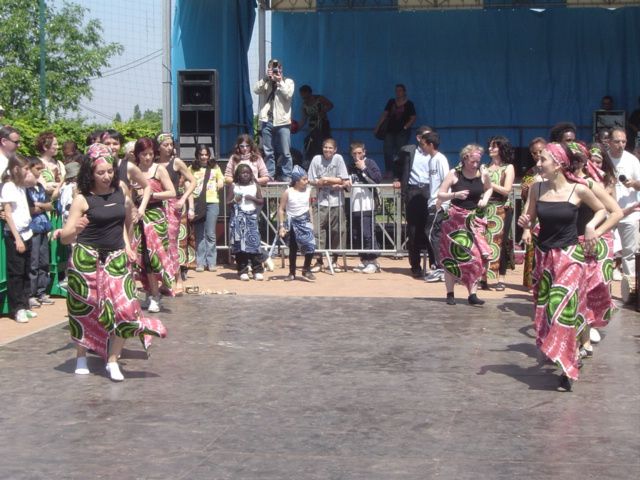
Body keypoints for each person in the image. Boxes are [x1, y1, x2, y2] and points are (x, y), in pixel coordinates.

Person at [57, 143, 167, 381]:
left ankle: (112, 360)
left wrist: (127, 245)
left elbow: (126, 221)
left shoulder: (122, 191)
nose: (106, 176)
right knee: (86, 310)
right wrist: (75, 228)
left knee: (127, 308)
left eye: (109, 171)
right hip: (87, 259)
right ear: (90, 174)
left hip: (116, 259)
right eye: (100, 173)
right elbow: (65, 237)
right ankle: (81, 356)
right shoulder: (82, 200)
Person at [519, 142, 606, 391]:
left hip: (570, 257)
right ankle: (567, 351)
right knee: (546, 311)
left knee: (561, 307)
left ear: (558, 164)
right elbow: (529, 218)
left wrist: (591, 227)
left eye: (543, 160)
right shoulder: (537, 188)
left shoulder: (578, 190)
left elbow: (601, 210)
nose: (538, 163)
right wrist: (525, 223)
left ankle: (568, 367)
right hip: (545, 257)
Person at [437, 144, 493, 306]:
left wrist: (485, 199)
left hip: (474, 219)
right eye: (472, 162)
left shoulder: (482, 174)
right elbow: (440, 193)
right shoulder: (454, 174)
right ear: (464, 159)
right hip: (455, 219)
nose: (475, 165)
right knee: (451, 256)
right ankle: (450, 292)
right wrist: (455, 194)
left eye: (477, 161)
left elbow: (489, 188)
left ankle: (472, 293)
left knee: (476, 257)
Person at [130, 138, 176, 314]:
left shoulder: (159, 169)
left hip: (155, 216)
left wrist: (153, 195)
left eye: (150, 154)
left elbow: (172, 192)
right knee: (142, 258)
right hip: (137, 216)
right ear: (138, 155)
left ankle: (157, 292)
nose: (147, 157)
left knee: (155, 256)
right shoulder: (133, 171)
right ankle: (151, 293)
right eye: (144, 154)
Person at [156, 133, 196, 294]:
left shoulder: (176, 162)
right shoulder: (153, 163)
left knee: (172, 242)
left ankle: (178, 278)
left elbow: (192, 181)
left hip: (173, 205)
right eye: (165, 145)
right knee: (159, 244)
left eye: (171, 144)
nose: (169, 147)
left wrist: (184, 199)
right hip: (157, 206)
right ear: (158, 146)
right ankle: (165, 280)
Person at [0, 155, 38, 323]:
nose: (27, 172)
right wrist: (17, 239)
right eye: (25, 169)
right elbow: (8, 214)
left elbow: (34, 181)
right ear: (16, 169)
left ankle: (25, 303)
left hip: (27, 232)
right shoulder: (9, 186)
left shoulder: (21, 186)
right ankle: (17, 308)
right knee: (16, 273)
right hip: (16, 234)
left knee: (25, 271)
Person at [395, 125, 434, 277]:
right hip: (412, 190)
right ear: (419, 138)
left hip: (429, 191)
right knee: (413, 230)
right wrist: (397, 179)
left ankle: (434, 265)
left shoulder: (435, 154)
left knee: (430, 229)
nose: (431, 140)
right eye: (427, 137)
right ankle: (415, 266)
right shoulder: (408, 151)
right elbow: (397, 164)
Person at [307, 138, 349, 272]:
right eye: (325, 147)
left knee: (338, 231)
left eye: (330, 148)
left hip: (337, 202)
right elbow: (311, 179)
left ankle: (335, 260)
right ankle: (318, 260)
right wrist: (323, 182)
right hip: (320, 201)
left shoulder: (339, 159)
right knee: (317, 230)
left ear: (335, 149)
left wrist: (325, 179)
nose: (327, 150)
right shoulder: (316, 159)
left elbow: (343, 179)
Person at [481, 135, 516, 291]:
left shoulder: (508, 167)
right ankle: (483, 277)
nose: (490, 149)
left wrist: (490, 183)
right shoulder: (484, 167)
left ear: (501, 149)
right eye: (490, 146)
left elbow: (507, 190)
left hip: (502, 208)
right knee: (483, 243)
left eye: (494, 146)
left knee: (501, 244)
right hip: (486, 209)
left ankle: (500, 278)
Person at [253, 58, 295, 181]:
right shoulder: (266, 82)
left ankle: (286, 175)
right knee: (268, 151)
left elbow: (288, 95)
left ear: (281, 69)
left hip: (283, 122)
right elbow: (256, 90)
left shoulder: (288, 81)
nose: (276, 70)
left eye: (277, 68)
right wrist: (266, 78)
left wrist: (280, 81)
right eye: (272, 68)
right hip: (267, 120)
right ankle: (269, 175)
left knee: (285, 151)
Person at [608, 128, 640, 278]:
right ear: (609, 142)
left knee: (629, 253)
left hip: (630, 213)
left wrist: (633, 183)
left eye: (623, 141)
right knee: (606, 251)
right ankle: (603, 290)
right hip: (608, 214)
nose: (620, 144)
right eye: (617, 141)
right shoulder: (604, 159)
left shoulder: (632, 160)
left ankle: (629, 291)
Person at [347, 141, 382, 274]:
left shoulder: (370, 163)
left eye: (359, 153)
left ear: (364, 152)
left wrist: (363, 168)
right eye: (355, 153)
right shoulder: (350, 166)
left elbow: (377, 179)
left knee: (368, 233)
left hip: (367, 204)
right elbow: (347, 182)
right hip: (354, 204)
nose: (357, 156)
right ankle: (364, 260)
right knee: (357, 234)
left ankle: (373, 261)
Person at [189, 144, 224, 272]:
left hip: (212, 202)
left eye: (206, 154)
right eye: (201, 154)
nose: (204, 157)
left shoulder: (215, 167)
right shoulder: (191, 168)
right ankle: (200, 262)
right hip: (198, 203)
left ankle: (211, 262)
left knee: (210, 233)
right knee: (199, 234)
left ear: (209, 155)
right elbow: (186, 181)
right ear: (197, 156)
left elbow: (221, 179)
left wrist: (220, 183)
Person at [278, 165, 316, 281]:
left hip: (305, 221)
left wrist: (312, 221)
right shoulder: (288, 192)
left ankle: (306, 269)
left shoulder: (308, 191)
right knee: (293, 249)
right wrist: (281, 226)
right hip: (292, 223)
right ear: (297, 181)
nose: (306, 181)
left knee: (311, 246)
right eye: (304, 179)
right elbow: (281, 209)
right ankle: (292, 272)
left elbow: (309, 207)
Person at [421, 131, 450, 283]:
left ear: (431, 145)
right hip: (433, 202)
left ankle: (442, 267)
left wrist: (442, 199)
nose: (422, 147)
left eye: (424, 144)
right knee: (433, 234)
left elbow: (447, 179)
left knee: (432, 232)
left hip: (439, 203)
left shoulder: (440, 159)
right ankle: (439, 266)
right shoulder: (431, 160)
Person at [26, 157, 54, 310]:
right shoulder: (25, 189)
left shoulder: (40, 187)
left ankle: (42, 291)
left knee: (44, 261)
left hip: (44, 227)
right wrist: (41, 207)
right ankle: (31, 294)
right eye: (38, 169)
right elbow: (30, 209)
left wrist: (40, 205)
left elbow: (50, 205)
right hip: (33, 228)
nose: (40, 172)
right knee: (33, 262)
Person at [229, 164, 265, 280]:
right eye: (242, 173)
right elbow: (227, 203)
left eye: (248, 173)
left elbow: (261, 201)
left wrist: (253, 199)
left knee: (254, 244)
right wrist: (235, 200)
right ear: (238, 175)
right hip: (238, 218)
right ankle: (242, 270)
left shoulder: (255, 186)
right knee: (240, 246)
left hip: (251, 217)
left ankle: (257, 269)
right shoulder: (234, 186)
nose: (245, 175)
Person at [374, 84, 417, 176]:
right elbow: (384, 115)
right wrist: (378, 126)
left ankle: (399, 173)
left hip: (402, 132)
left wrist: (405, 127)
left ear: (404, 92)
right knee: (387, 151)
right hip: (389, 131)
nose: (398, 92)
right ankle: (389, 171)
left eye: (400, 90)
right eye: (396, 90)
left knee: (400, 152)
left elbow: (413, 118)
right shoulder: (391, 102)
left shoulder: (409, 104)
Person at [520, 137, 546, 289]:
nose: (537, 155)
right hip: (535, 215)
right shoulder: (530, 173)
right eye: (534, 153)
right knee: (532, 249)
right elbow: (525, 196)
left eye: (540, 152)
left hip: (550, 214)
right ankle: (532, 281)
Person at [298, 84, 333, 165]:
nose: (305, 99)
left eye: (306, 97)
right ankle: (313, 163)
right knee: (310, 144)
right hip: (312, 127)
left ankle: (327, 162)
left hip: (323, 125)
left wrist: (323, 111)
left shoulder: (319, 99)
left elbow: (331, 105)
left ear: (310, 93)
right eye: (303, 97)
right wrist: (297, 128)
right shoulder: (304, 105)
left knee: (324, 143)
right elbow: (304, 119)